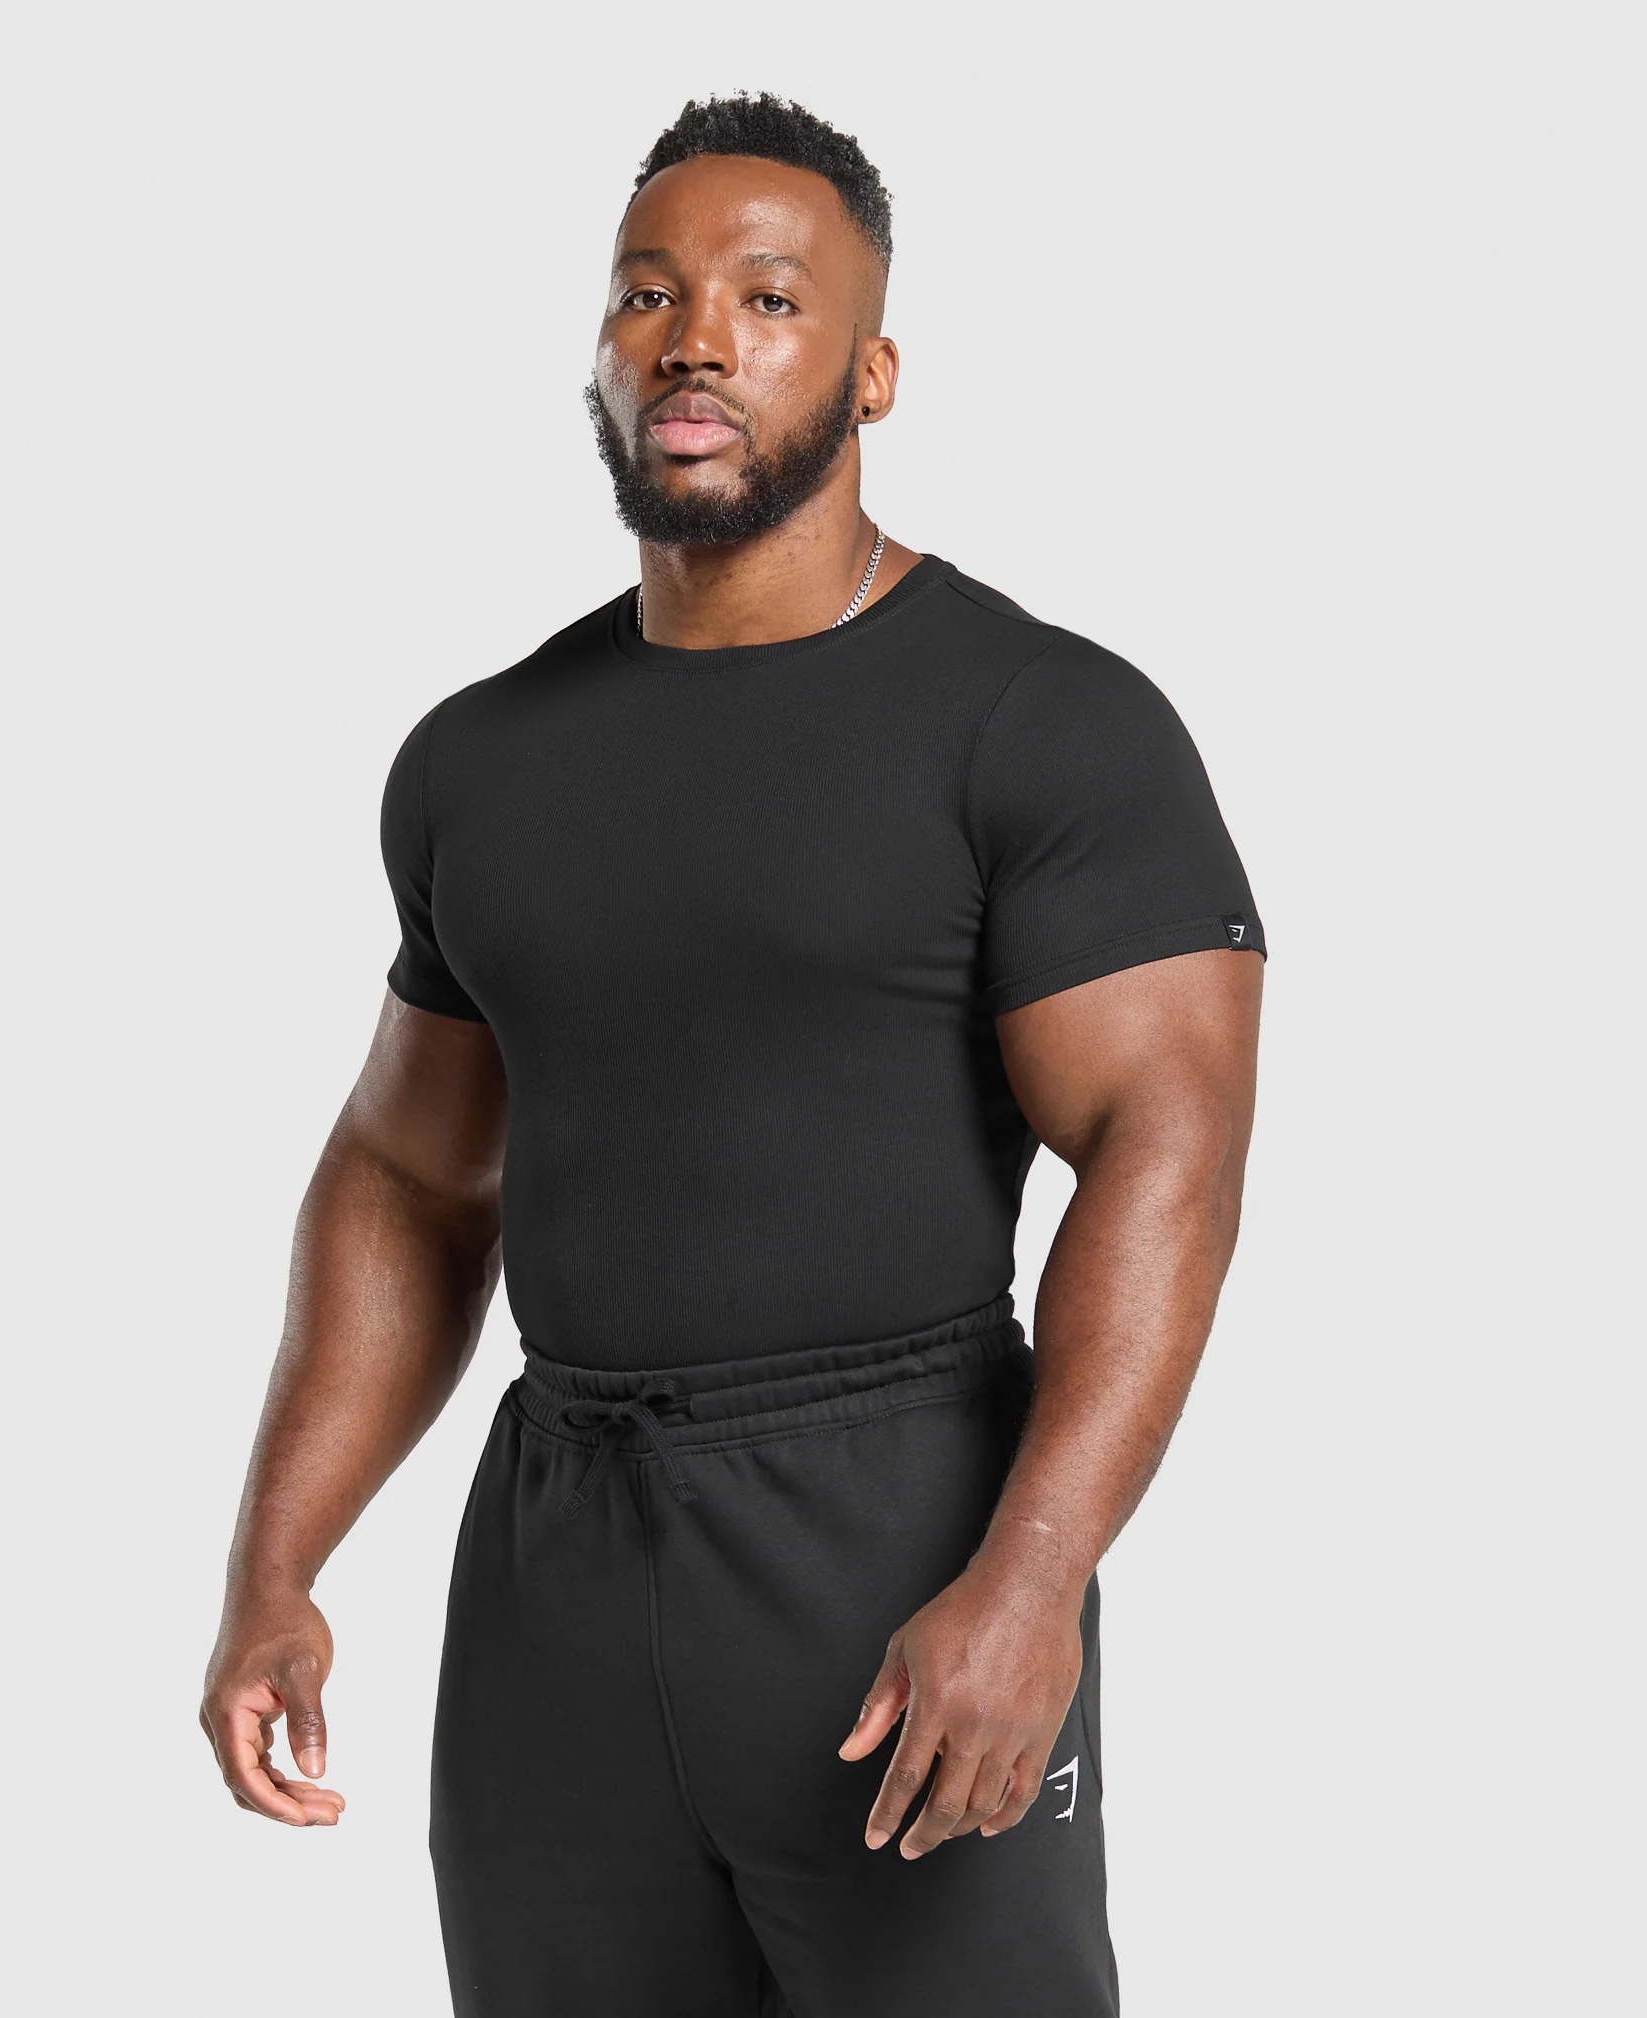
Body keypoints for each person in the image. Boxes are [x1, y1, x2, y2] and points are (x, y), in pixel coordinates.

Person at [200, 90, 1266, 2018]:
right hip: (556, 1563)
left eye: (769, 300)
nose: (696, 337)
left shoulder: (1042, 722)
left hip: (898, 1541)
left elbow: (1162, 1152)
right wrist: (276, 1562)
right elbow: (411, 1175)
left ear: (870, 374)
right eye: (649, 294)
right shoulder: (481, 760)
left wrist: (1031, 1582)